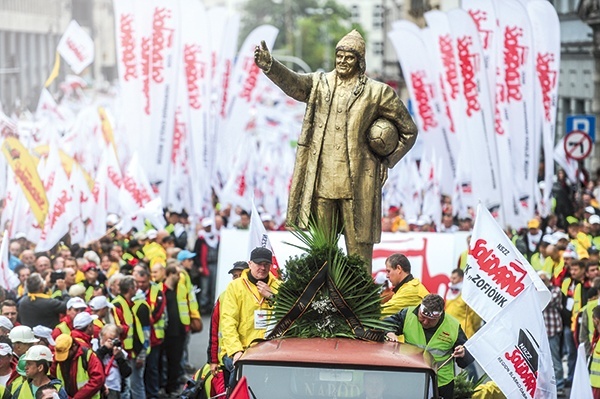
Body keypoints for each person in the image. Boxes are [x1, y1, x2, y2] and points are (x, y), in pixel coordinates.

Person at [254, 30, 417, 271]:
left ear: (360, 61)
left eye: (348, 57)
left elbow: (409, 130)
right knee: (322, 252)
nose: (342, 61)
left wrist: (387, 161)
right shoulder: (320, 83)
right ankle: (322, 301)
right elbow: (295, 84)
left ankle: (360, 304)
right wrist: (271, 66)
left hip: (359, 182)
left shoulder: (378, 92)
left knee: (359, 252)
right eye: (339, 56)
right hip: (323, 181)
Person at [385, 294, 473, 399]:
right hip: (411, 377)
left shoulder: (453, 326)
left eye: (431, 320)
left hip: (441, 383)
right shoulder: (408, 314)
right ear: (419, 309)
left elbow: (467, 357)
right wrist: (389, 332)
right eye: (422, 317)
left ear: (440, 316)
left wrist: (463, 353)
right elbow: (385, 324)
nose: (425, 322)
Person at [220, 248, 280, 366]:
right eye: (259, 264)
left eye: (266, 264)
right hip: (242, 350)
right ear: (250, 264)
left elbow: (288, 316)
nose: (262, 268)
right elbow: (228, 322)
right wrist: (236, 351)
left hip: (271, 351)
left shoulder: (279, 286)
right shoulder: (235, 286)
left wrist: (272, 297)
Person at [111, 276, 150, 398]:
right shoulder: (118, 305)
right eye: (135, 286)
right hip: (125, 352)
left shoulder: (129, 304)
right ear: (130, 289)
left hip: (132, 351)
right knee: (129, 386)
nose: (137, 289)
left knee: (134, 385)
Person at [52, 334, 105, 399]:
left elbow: (97, 379)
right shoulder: (57, 358)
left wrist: (77, 397)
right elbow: (52, 379)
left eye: (65, 354)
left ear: (74, 347)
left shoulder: (87, 356)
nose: (63, 358)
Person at [538, 271, 565, 395]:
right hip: (541, 331)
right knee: (542, 361)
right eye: (539, 280)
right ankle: (546, 385)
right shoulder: (537, 292)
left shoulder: (556, 290)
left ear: (548, 280)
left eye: (543, 280)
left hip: (553, 329)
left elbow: (547, 301)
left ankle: (559, 385)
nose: (542, 283)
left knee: (555, 359)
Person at [95, 323, 132, 399]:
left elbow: (127, 372)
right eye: (106, 340)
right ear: (101, 338)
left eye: (112, 340)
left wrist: (118, 357)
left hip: (114, 389)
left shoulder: (120, 352)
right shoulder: (95, 346)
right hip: (99, 387)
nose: (109, 343)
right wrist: (104, 349)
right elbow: (93, 361)